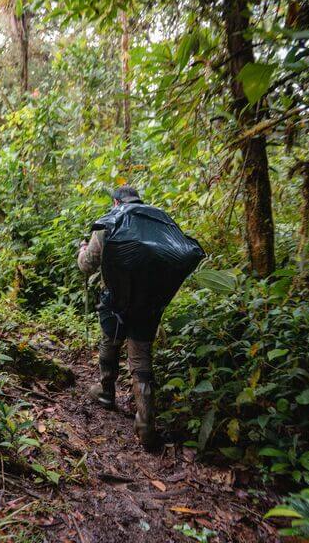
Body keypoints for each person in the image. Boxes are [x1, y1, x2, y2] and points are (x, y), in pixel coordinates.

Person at [77, 185, 203, 449]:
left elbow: (88, 264)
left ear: (115, 202)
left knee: (109, 342)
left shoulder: (111, 222)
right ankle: (146, 423)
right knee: (141, 360)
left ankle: (106, 392)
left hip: (116, 300)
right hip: (148, 305)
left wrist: (82, 249)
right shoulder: (159, 221)